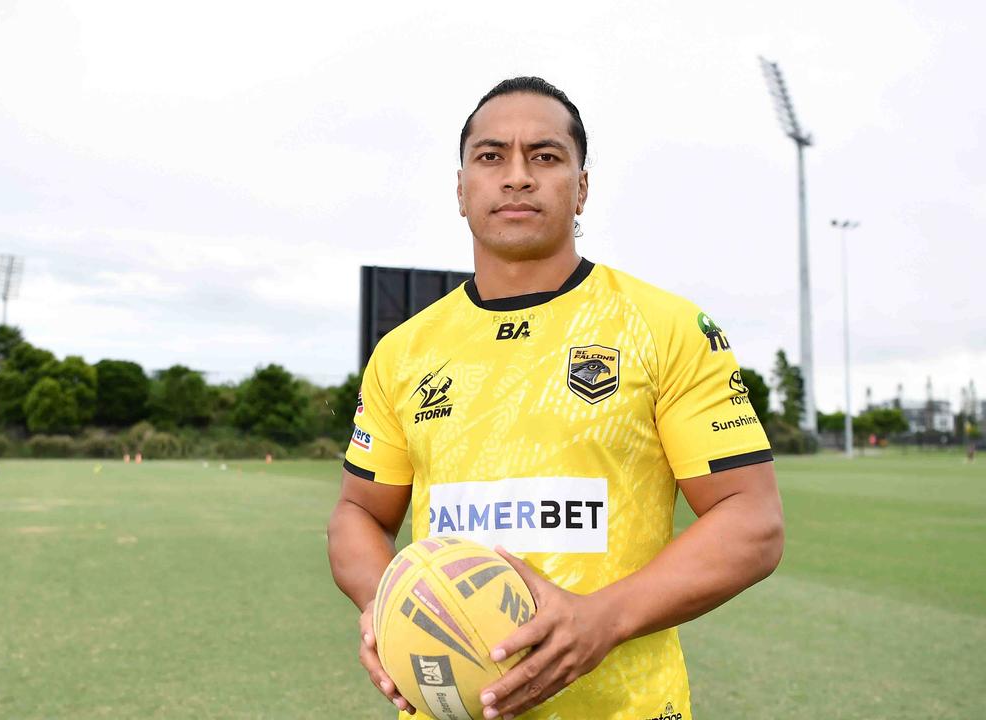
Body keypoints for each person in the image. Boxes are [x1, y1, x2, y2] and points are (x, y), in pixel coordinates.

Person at [327, 77, 784, 720]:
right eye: (491, 156)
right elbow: (358, 514)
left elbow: (752, 521)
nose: (516, 176)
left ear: (582, 187)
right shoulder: (405, 352)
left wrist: (600, 622)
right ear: (461, 190)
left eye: (544, 156)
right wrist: (392, 607)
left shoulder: (665, 327)